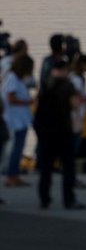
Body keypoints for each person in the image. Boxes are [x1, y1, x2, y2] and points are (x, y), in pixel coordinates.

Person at [34, 57, 85, 209]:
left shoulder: (45, 83)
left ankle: (44, 199)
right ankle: (68, 199)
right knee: (68, 165)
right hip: (62, 129)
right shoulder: (67, 85)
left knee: (46, 168)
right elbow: (75, 104)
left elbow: (38, 105)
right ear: (65, 70)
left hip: (45, 130)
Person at [3, 54, 35, 187]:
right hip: (14, 121)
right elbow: (11, 99)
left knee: (19, 148)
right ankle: (11, 176)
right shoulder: (12, 79)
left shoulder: (17, 79)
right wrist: (29, 101)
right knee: (16, 149)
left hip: (21, 120)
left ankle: (14, 174)